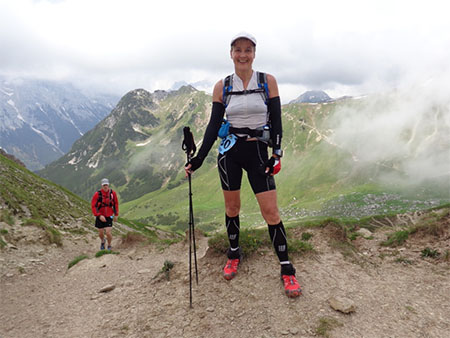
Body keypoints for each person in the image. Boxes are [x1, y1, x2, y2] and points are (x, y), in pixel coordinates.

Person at [184, 32, 301, 298]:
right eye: (238, 50)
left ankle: (287, 268)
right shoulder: (222, 86)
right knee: (232, 208)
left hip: (259, 152)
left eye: (248, 49)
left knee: (271, 212)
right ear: (231, 54)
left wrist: (277, 153)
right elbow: (214, 126)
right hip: (230, 153)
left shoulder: (267, 81)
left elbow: (277, 120)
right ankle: (233, 254)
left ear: (254, 53)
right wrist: (198, 159)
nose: (243, 54)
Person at [91, 178, 119, 250]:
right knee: (100, 233)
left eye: (106, 185)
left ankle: (109, 245)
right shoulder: (97, 194)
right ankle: (103, 241)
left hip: (109, 215)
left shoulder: (113, 193)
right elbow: (94, 206)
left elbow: (116, 204)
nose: (105, 186)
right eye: (104, 185)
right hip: (100, 215)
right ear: (102, 186)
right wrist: (99, 215)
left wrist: (116, 214)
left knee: (108, 233)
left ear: (108, 185)